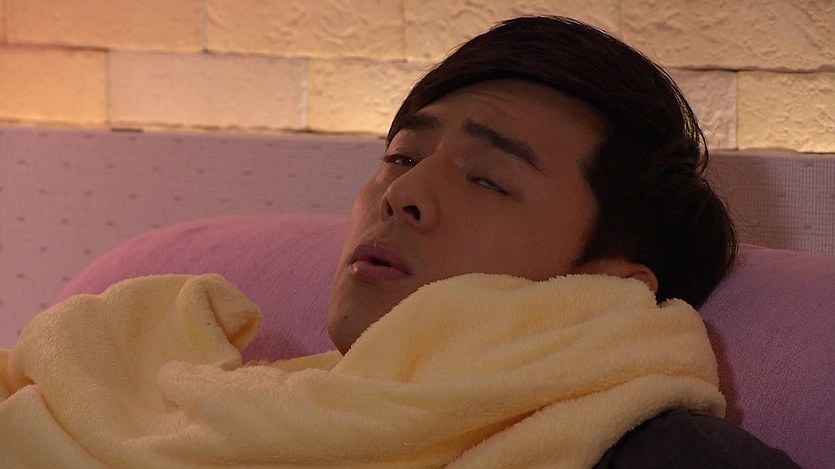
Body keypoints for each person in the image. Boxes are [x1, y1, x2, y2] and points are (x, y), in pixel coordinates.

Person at [1, 15, 797, 468]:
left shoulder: (662, 455)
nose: (401, 195)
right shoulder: (184, 409)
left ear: (606, 286)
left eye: (487, 178)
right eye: (401, 158)